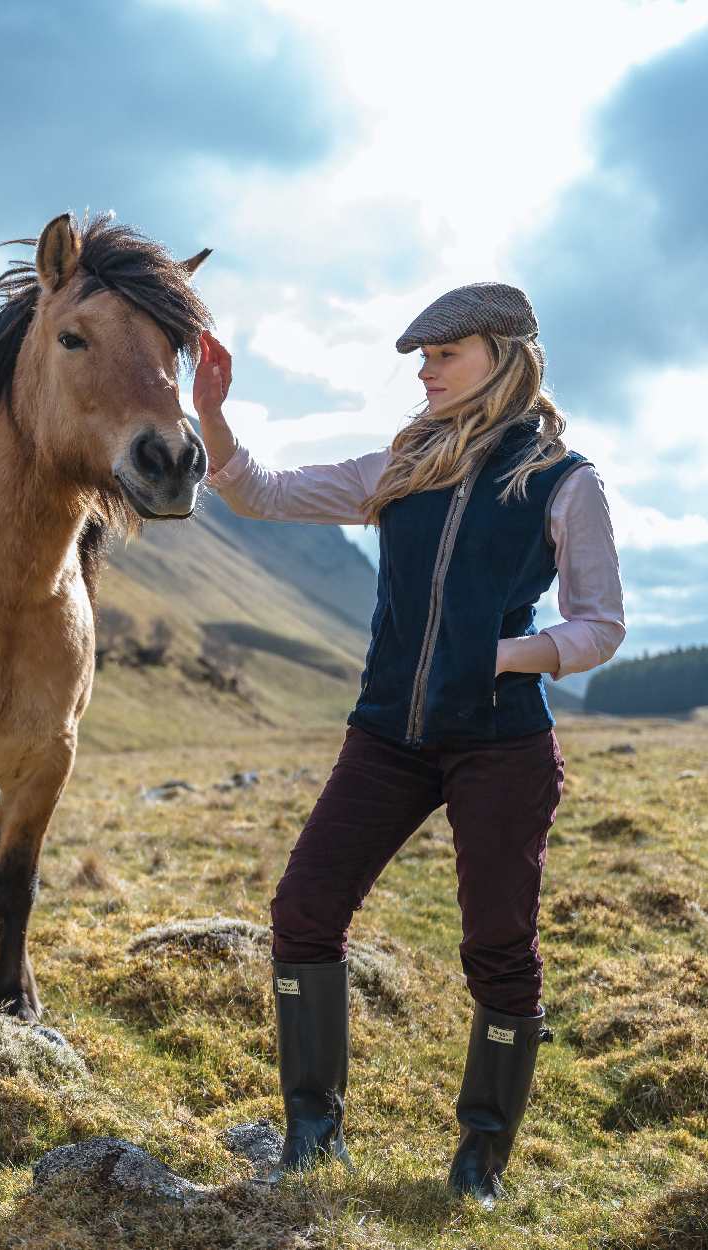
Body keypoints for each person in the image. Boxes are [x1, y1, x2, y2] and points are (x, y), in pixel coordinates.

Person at [190, 282, 626, 1208]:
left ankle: (480, 1162)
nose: (425, 373)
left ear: (502, 356)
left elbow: (600, 625)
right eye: (422, 359)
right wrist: (213, 417)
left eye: (443, 355)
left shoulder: (563, 480)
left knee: (498, 946)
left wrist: (500, 656)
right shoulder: (402, 463)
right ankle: (312, 1135)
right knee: (304, 910)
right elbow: (260, 493)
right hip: (387, 734)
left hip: (501, 743)